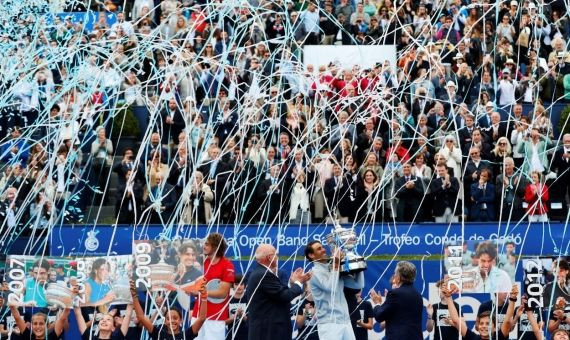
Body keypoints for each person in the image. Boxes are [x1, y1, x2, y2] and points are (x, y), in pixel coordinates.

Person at [246, 244, 310, 340]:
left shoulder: (260, 273)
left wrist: (292, 283)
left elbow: (278, 295)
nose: (277, 258)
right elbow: (285, 296)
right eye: (276, 255)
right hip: (268, 332)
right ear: (269, 257)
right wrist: (299, 282)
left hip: (267, 330)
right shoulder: (264, 274)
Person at [304, 240, 364, 340]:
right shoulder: (313, 273)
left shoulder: (333, 269)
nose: (324, 250)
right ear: (311, 255)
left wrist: (357, 264)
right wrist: (336, 265)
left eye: (323, 247)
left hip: (345, 321)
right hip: (329, 324)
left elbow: (358, 285)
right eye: (319, 249)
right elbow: (330, 288)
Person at [130, 280, 207, 339]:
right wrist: (134, 297)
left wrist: (204, 297)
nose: (172, 321)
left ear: (181, 320)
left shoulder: (186, 335)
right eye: (168, 318)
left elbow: (202, 318)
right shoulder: (159, 334)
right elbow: (141, 317)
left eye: (175, 318)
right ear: (165, 322)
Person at [192, 233, 235, 340]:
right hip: (198, 315)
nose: (204, 246)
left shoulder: (227, 265)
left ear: (215, 247)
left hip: (216, 317)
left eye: (207, 244)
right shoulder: (200, 263)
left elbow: (223, 293)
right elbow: (192, 288)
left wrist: (202, 292)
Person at [443, 283, 518, 340]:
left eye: (488, 323)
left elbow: (507, 322)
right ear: (478, 327)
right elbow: (456, 321)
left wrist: (512, 299)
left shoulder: (499, 337)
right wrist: (448, 297)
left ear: (495, 328)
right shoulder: (473, 337)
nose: (484, 326)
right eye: (481, 323)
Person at [369, 261, 422, 340]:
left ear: (399, 277)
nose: (394, 276)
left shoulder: (395, 293)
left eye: (395, 274)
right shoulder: (418, 295)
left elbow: (379, 316)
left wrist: (377, 303)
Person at [226, 275, 248, 340]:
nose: (239, 287)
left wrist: (243, 317)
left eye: (241, 284)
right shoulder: (227, 301)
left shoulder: (249, 299)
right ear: (232, 285)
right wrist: (234, 317)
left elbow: (253, 322)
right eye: (236, 284)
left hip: (247, 336)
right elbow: (222, 323)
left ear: (245, 285)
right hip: (231, 336)